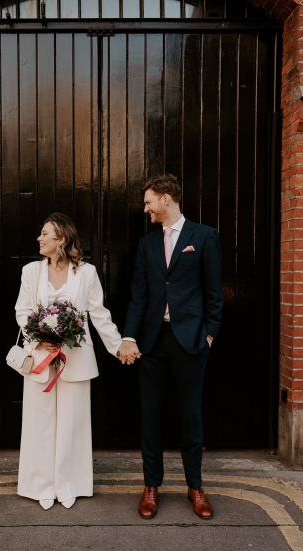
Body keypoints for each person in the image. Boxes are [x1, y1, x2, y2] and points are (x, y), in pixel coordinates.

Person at [118, 174, 223, 520]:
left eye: (149, 201)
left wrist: (208, 334)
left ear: (166, 198)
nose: (145, 208)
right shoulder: (147, 245)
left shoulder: (204, 237)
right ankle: (151, 486)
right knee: (151, 416)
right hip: (151, 343)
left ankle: (195, 487)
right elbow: (139, 295)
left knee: (190, 416)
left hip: (191, 341)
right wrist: (129, 337)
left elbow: (214, 293)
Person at [14, 213, 122, 510]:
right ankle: (41, 485)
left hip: (76, 357)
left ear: (61, 238)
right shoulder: (31, 271)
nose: (40, 238)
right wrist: (39, 336)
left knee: (72, 424)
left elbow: (98, 314)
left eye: (45, 233)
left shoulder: (86, 273)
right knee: (39, 423)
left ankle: (68, 484)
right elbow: (22, 311)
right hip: (41, 357)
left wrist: (118, 345)